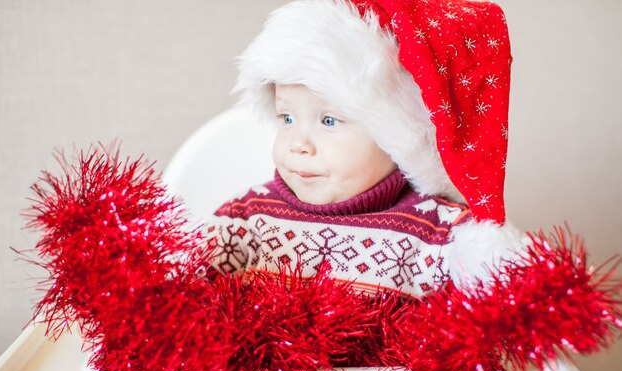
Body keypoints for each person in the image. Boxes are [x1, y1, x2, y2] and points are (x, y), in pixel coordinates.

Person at [205, 0, 522, 297]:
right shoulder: (250, 217)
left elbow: (496, 306)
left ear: (394, 135)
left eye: (329, 121)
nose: (298, 144)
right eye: (286, 118)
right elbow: (178, 284)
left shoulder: (438, 234)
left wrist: (494, 266)